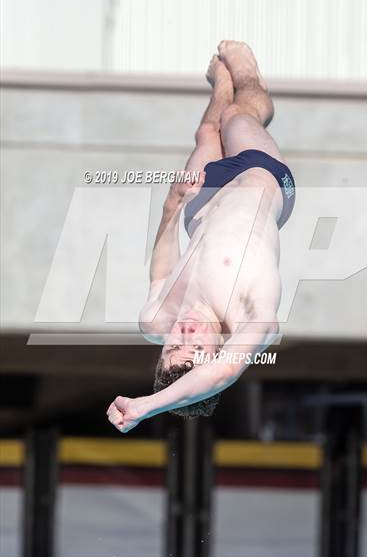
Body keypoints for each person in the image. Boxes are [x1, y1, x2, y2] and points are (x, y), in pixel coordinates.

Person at [107, 41, 295, 433]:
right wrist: (146, 406)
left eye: (174, 347)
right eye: (197, 349)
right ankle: (246, 76)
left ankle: (220, 82)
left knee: (207, 130)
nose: (185, 334)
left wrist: (171, 207)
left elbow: (161, 271)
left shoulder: (156, 320)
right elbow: (219, 376)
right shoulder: (250, 320)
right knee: (238, 116)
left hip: (200, 208)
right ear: (217, 353)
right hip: (260, 180)